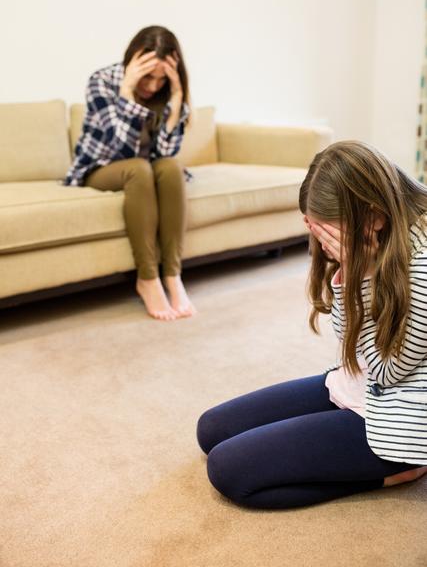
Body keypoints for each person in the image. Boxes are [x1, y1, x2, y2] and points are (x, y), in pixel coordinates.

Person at [197, 141, 427, 509]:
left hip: (397, 415)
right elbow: (348, 343)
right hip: (356, 383)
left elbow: (387, 372)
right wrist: (345, 276)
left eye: (329, 234)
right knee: (211, 430)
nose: (324, 244)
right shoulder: (380, 233)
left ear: (374, 216)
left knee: (229, 471)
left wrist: (359, 273)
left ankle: (393, 473)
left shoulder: (422, 267)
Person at [64, 25, 196, 320]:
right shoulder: (102, 81)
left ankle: (173, 275)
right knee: (138, 168)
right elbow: (120, 150)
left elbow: (165, 154)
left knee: (172, 168)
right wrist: (126, 91)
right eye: (147, 76)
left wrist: (175, 99)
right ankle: (147, 278)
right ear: (132, 62)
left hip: (146, 169)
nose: (152, 86)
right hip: (99, 167)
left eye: (161, 79)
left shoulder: (169, 91)